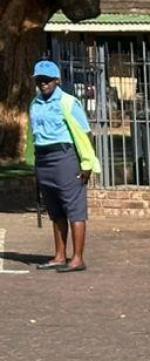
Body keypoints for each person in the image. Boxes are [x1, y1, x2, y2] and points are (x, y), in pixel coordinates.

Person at [23, 60, 98, 273]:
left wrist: (87, 163)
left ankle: (78, 258)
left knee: (74, 209)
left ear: (57, 80)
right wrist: (34, 162)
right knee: (55, 210)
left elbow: (85, 134)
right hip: (44, 159)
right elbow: (34, 134)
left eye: (47, 80)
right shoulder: (35, 103)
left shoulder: (68, 102)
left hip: (65, 157)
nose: (43, 83)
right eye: (39, 80)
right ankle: (59, 255)